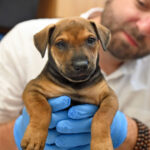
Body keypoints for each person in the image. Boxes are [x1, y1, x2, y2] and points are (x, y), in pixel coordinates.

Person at [0, 0, 150, 149]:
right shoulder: (22, 38)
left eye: (90, 40)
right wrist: (26, 127)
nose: (144, 27)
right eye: (141, 4)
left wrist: (134, 135)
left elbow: (109, 101)